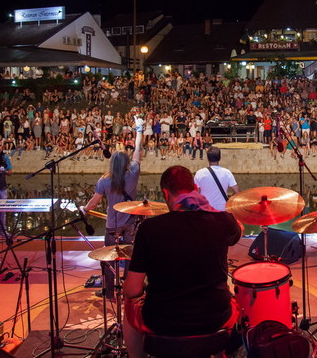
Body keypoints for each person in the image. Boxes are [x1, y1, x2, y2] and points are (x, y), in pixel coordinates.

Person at [123, 166, 242, 357]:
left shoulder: (149, 229)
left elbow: (132, 290)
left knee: (129, 303)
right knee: (232, 296)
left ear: (165, 193)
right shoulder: (223, 221)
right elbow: (239, 229)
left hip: (162, 321)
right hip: (215, 317)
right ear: (195, 187)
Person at [83, 115, 144, 300]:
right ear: (126, 162)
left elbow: (93, 203)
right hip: (131, 222)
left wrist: (84, 209)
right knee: (130, 257)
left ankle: (109, 292)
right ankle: (130, 291)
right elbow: (138, 151)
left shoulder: (105, 180)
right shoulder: (132, 173)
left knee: (110, 259)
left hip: (112, 225)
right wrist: (139, 130)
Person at [194, 146, 239, 211]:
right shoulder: (227, 173)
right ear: (219, 158)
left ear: (208, 158)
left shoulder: (199, 173)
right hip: (222, 211)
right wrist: (229, 199)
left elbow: (196, 194)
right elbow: (237, 192)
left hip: (206, 210)